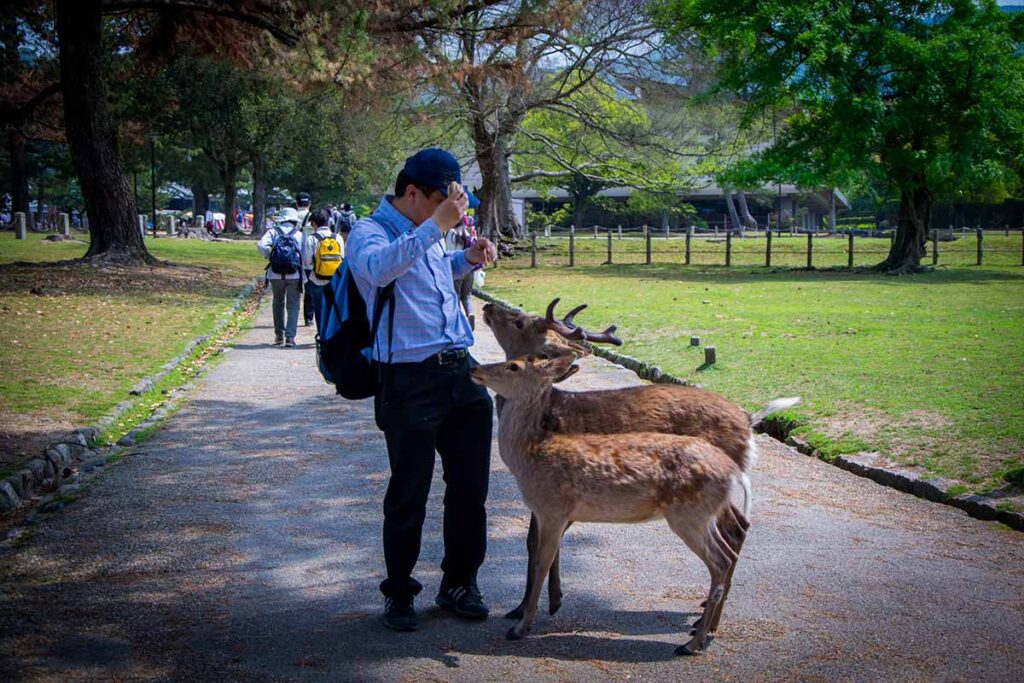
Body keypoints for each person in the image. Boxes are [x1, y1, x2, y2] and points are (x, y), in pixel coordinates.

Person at [346, 148, 498, 633]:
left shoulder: (428, 232)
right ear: (412, 193)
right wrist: (436, 226)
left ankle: (459, 582)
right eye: (439, 201)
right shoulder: (368, 232)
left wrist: (465, 258)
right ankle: (399, 592)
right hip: (409, 380)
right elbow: (379, 269)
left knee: (471, 489)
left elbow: (429, 273)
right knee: (409, 491)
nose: (448, 211)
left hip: (461, 371)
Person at [258, 207, 305, 347]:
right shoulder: (299, 234)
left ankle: (279, 335)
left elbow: (261, 245)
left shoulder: (273, 232)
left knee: (278, 303)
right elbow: (305, 254)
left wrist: (269, 256)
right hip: (294, 274)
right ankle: (290, 337)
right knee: (293, 305)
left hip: (275, 273)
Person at [302, 208, 342, 331]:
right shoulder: (338, 238)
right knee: (333, 309)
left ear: (313, 223)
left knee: (319, 309)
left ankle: (321, 334)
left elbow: (307, 261)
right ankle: (332, 336)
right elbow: (343, 258)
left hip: (317, 279)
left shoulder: (312, 239)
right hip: (335, 280)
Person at [444, 214, 478, 330]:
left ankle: (458, 320)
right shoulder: (467, 232)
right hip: (469, 268)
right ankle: (470, 313)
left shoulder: (451, 233)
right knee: (467, 295)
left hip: (457, 268)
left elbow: (447, 251)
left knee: (456, 295)